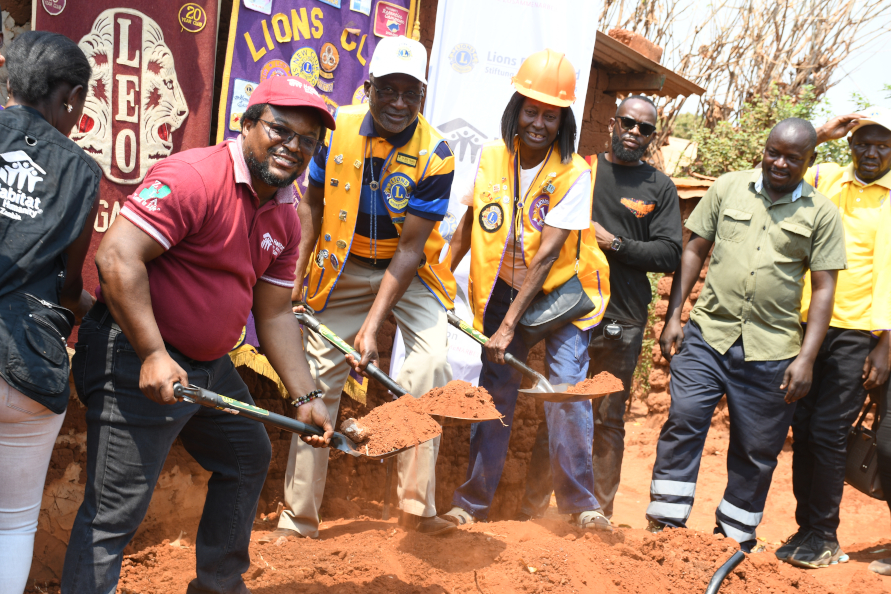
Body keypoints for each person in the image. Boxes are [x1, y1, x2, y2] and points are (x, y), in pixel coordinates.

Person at [61, 76, 335, 594]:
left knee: (246, 455)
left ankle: (219, 586)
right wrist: (153, 353)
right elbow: (116, 257)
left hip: (207, 366)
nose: (293, 146)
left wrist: (306, 396)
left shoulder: (286, 212)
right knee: (115, 512)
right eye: (280, 129)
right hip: (133, 352)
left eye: (307, 140)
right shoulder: (194, 177)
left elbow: (275, 313)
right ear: (247, 123)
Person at [267, 35, 457, 540]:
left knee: (430, 367)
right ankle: (298, 518)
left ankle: (416, 506)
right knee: (315, 379)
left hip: (409, 274)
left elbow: (411, 250)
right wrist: (297, 275)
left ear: (423, 95)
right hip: (343, 265)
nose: (398, 102)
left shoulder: (437, 154)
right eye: (388, 89)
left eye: (410, 93)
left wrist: (372, 327)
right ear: (368, 87)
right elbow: (310, 205)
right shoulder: (335, 130)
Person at [649, 118, 847, 552]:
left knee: (756, 450)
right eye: (773, 152)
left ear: (810, 160)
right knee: (684, 421)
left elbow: (824, 289)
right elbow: (695, 249)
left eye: (792, 158)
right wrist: (674, 315)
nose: (779, 163)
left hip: (772, 350)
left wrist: (806, 359)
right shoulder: (728, 187)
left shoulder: (822, 213)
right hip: (708, 335)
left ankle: (734, 541)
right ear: (764, 148)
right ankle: (664, 525)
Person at [443, 49, 611, 531]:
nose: (538, 123)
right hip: (504, 288)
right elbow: (469, 224)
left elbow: (546, 258)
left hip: (560, 293)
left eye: (550, 115)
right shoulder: (493, 156)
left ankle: (582, 507)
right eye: (531, 111)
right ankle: (471, 505)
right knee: (494, 395)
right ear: (516, 109)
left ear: (563, 122)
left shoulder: (575, 173)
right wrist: (438, 277)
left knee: (565, 391)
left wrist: (507, 327)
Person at [517, 95, 683, 522]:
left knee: (609, 418)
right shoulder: (582, 170)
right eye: (628, 122)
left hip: (624, 319)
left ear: (652, 136)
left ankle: (597, 515)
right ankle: (532, 512)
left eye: (645, 128)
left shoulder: (659, 187)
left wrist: (616, 243)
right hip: (572, 312)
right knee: (560, 408)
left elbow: (669, 253)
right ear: (612, 123)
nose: (634, 132)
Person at [0, 32, 99, 594]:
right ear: (72, 98)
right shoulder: (81, 172)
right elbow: (68, 287)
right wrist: (95, 312)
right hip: (29, 371)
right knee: (12, 524)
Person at [781, 107, 891, 568]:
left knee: (829, 432)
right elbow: (775, 169)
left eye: (883, 145)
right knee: (803, 430)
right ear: (850, 145)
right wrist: (822, 133)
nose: (872, 152)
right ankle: (805, 528)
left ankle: (824, 535)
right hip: (809, 327)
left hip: (859, 331)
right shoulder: (826, 177)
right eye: (863, 143)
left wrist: (885, 343)